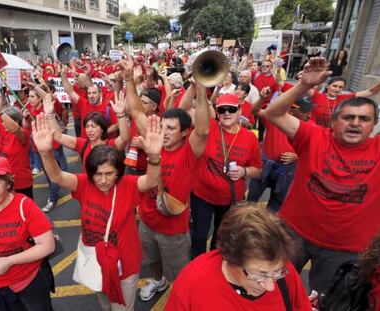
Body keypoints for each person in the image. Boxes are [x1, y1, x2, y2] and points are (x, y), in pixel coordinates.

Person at [261, 57, 380, 293]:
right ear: (334, 122)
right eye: (348, 117)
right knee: (271, 289)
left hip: (346, 250)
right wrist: (304, 85)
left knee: (327, 302)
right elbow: (272, 113)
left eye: (364, 119)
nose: (355, 123)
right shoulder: (314, 136)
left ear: (374, 125)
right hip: (293, 234)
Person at [32, 113, 164, 311]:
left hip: (124, 263)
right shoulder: (84, 184)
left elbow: (151, 181)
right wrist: (45, 153)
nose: (103, 180)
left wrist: (154, 158)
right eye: (98, 174)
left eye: (109, 174)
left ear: (118, 172)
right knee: (104, 304)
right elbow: (57, 176)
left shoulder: (128, 185)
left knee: (121, 308)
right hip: (96, 260)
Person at [119, 54, 211, 302]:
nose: (164, 132)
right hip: (147, 222)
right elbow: (136, 109)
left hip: (174, 230)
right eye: (163, 126)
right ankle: (158, 281)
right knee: (153, 261)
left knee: (179, 273)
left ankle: (181, 297)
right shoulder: (154, 137)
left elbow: (202, 130)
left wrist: (200, 90)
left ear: (183, 133)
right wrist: (129, 78)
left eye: (171, 129)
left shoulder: (189, 152)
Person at [165, 205, 312, 311]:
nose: (270, 286)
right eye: (259, 275)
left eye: (276, 273)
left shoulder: (279, 269)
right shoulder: (191, 285)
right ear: (230, 258)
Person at [0, 156, 55, 310]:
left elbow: (47, 246)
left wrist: (9, 261)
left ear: (8, 183)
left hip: (28, 283)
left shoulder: (25, 206)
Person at [189, 93, 262, 259]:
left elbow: (257, 170)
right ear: (216, 112)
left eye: (232, 109)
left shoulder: (250, 138)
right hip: (202, 196)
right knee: (199, 235)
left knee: (220, 236)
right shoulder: (208, 127)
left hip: (229, 199)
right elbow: (186, 110)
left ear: (240, 110)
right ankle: (198, 264)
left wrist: (244, 171)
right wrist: (197, 88)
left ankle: (214, 265)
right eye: (222, 110)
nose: (227, 113)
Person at [247, 88, 316, 212]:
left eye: (310, 111)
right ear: (293, 110)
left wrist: (297, 156)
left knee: (277, 202)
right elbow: (255, 111)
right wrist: (262, 98)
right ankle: (244, 223)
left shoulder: (312, 126)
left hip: (288, 170)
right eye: (305, 111)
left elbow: (314, 150)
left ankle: (268, 227)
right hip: (265, 164)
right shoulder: (276, 118)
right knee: (252, 197)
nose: (309, 115)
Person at [308, 76, 380, 127]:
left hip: (332, 133)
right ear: (327, 86)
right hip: (313, 130)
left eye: (340, 87)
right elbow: (302, 88)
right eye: (334, 86)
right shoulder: (317, 95)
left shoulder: (344, 98)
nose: (337, 89)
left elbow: (371, 92)